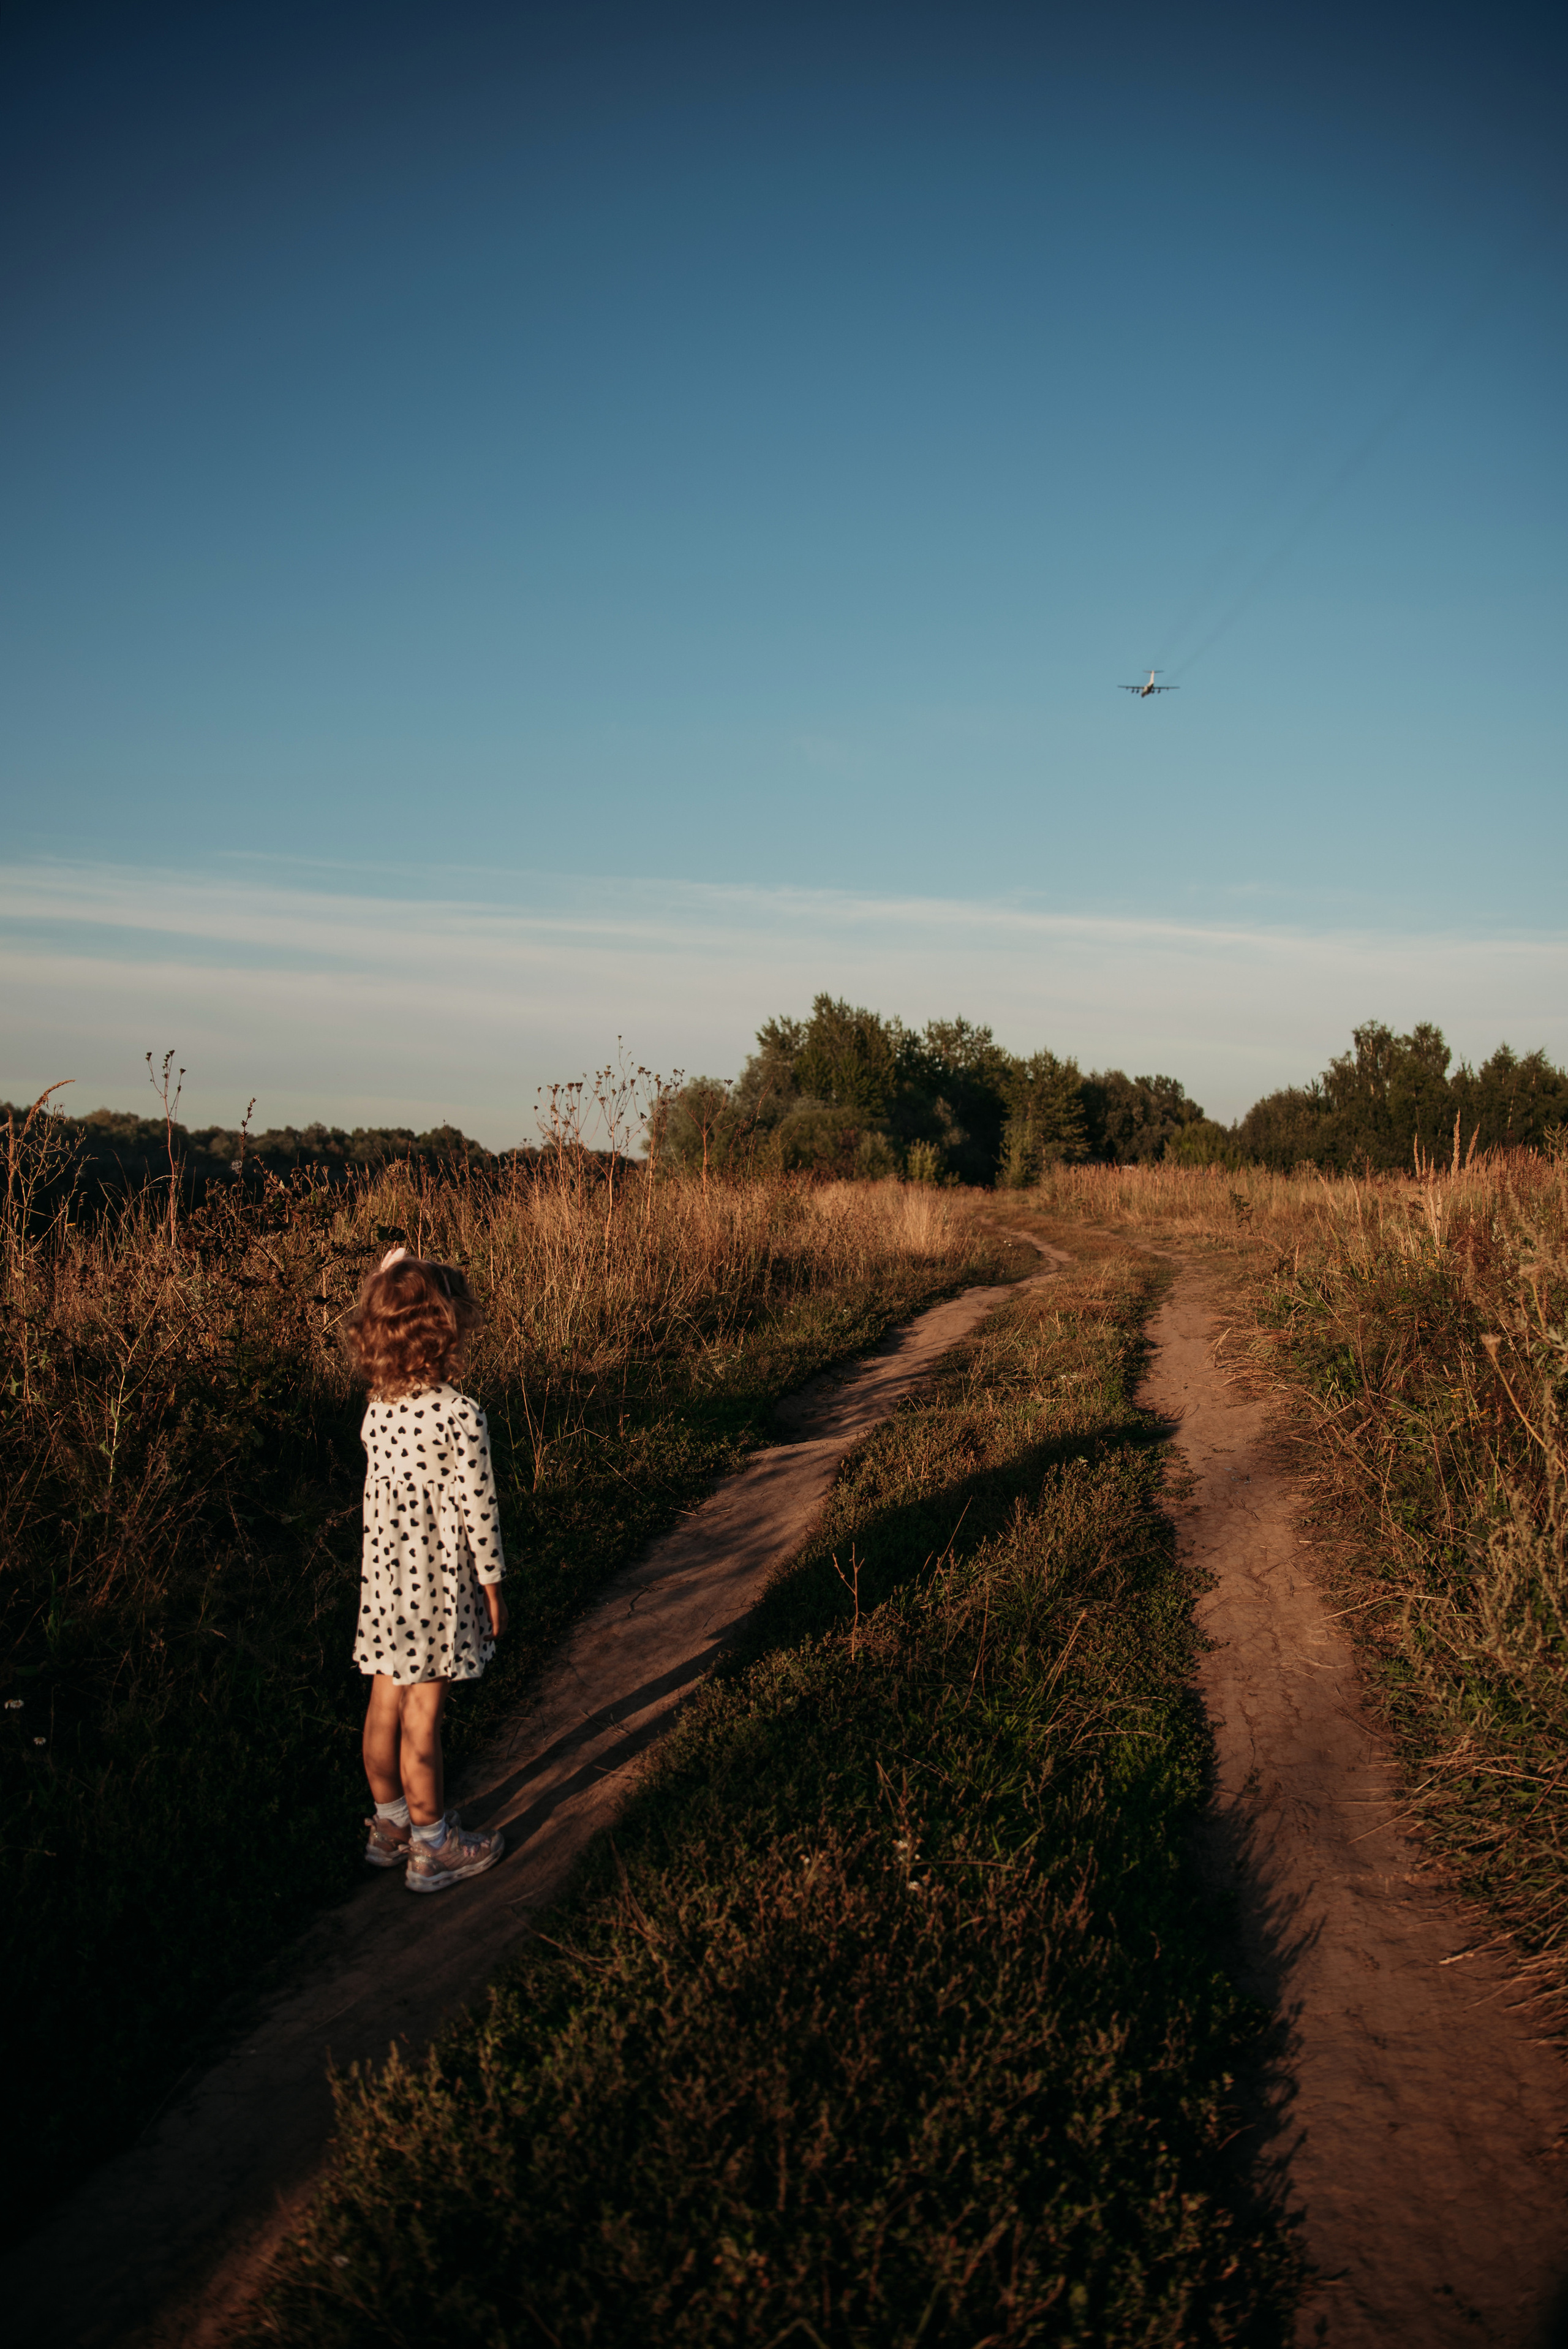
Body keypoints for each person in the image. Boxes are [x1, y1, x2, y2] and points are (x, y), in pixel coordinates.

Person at [342, 1244, 508, 1893]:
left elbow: (381, 1311)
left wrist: (382, 1280)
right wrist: (493, 1587)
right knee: (423, 1719)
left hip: (384, 1590)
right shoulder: (460, 1415)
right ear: (446, 1332)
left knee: (384, 1706)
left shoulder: (376, 1411)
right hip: (436, 1591)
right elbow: (480, 1513)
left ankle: (389, 1828)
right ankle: (434, 1846)